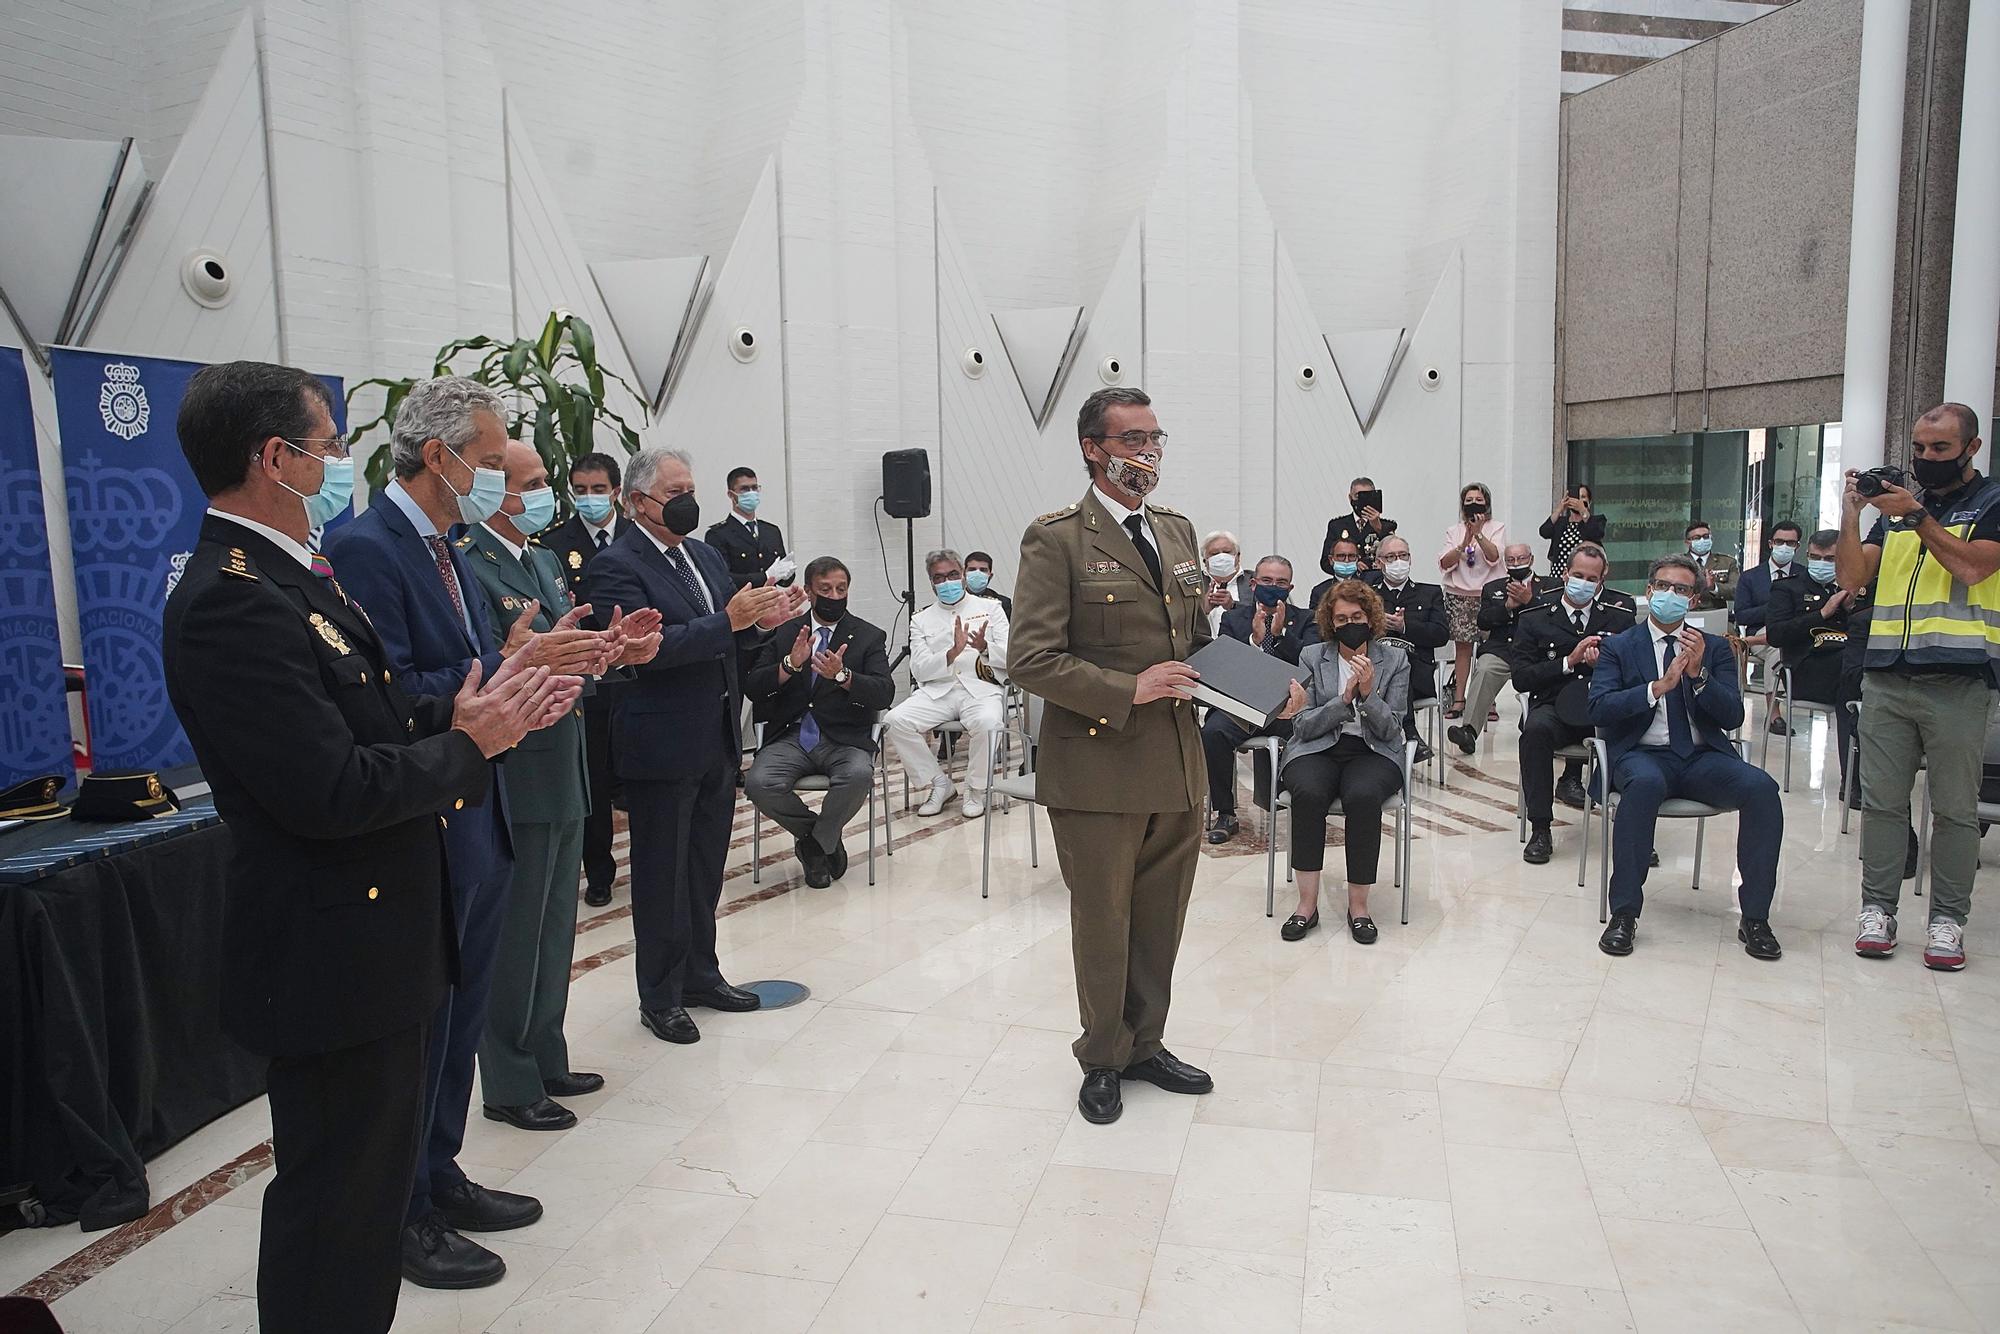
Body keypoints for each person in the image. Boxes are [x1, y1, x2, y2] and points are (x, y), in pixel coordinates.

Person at [162, 362, 569, 1334]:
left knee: (364, 1196)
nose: (343, 462)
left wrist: (468, 710)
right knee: (334, 1211)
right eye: (331, 445)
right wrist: (469, 745)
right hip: (329, 952)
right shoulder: (233, 597)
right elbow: (329, 789)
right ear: (275, 458)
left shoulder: (288, 575)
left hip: (373, 943)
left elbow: (376, 714)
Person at [326, 377, 611, 1289]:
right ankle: (403, 1209)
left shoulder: (446, 547)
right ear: (439, 457)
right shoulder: (368, 546)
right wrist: (513, 662)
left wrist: (531, 658)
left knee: (464, 1006)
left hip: (476, 799)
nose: (502, 483)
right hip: (430, 807)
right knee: (429, 1019)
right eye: (492, 465)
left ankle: (440, 1171)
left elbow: (474, 660)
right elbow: (395, 685)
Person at [1009, 385, 1214, 1127]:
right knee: (1104, 922)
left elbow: (1192, 645)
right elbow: (1029, 659)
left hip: (1177, 764)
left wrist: (1264, 689)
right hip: (1098, 767)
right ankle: (1102, 1056)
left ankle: (1146, 1044)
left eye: (1156, 437)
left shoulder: (1178, 529)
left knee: (1161, 919)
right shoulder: (1056, 539)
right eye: (1132, 440)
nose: (1149, 452)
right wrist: (1132, 687)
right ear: (1093, 449)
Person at [455, 440, 660, 1136]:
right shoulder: (468, 563)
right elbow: (486, 666)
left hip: (566, 753)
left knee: (553, 924)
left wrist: (610, 649)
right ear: (493, 488)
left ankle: (546, 1052)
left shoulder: (541, 560)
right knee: (516, 931)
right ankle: (509, 1078)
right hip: (519, 764)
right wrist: (532, 655)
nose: (549, 493)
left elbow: (562, 654)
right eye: (535, 481)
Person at [583, 448, 796, 1043]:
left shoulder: (702, 555)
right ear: (636, 501)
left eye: (690, 489)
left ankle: (702, 973)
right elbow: (644, 650)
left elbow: (729, 639)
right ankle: (660, 993)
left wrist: (764, 620)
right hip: (660, 738)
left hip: (716, 736)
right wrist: (728, 623)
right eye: (674, 492)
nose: (687, 501)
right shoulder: (615, 565)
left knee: (704, 867)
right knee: (660, 872)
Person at [1839, 403, 2000, 972]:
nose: (1926, 459)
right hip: (1888, 676)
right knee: (1882, 804)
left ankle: (1948, 920)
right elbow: (1855, 578)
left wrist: (1919, 517)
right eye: (1919, 449)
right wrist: (1855, 515)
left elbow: (1973, 569)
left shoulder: (1991, 503)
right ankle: (1876, 911)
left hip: (1958, 681)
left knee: (1955, 811)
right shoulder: (1898, 514)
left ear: (1972, 449)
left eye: (1940, 449)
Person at [1586, 553, 1784, 961]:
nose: (1670, 595)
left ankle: (1756, 918)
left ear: (1693, 601)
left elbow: (1733, 714)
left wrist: (1699, 677)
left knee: (1762, 788)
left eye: (1681, 589)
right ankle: (1624, 913)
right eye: (1663, 586)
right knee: (1645, 785)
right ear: (1649, 591)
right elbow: (1599, 708)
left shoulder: (1713, 648)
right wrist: (1656, 689)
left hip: (1699, 758)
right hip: (1641, 755)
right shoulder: (1620, 647)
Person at [1273, 580, 1409, 945]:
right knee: (1308, 792)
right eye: (1342, 618)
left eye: (1358, 616)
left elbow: (1392, 729)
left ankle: (1359, 908)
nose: (1351, 624)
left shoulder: (1394, 659)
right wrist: (1343, 700)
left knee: (1363, 796)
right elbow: (1302, 723)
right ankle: (1306, 906)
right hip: (1317, 748)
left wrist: (1367, 695)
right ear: (1331, 622)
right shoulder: (1312, 656)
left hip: (1373, 752)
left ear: (1371, 618)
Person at [744, 556, 894, 887]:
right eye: (825, 589)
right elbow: (754, 687)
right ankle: (820, 835)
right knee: (758, 783)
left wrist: (843, 675)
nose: (834, 595)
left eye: (841, 589)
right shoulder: (785, 634)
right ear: (809, 592)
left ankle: (814, 846)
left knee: (858, 775)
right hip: (791, 735)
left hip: (844, 738)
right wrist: (789, 665)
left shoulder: (868, 636)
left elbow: (884, 693)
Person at [541, 451, 632, 907]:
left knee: (636, 773)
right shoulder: (556, 543)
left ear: (616, 491)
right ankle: (599, 870)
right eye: (580, 491)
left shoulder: (639, 539)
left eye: (599, 490)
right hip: (589, 679)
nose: (590, 499)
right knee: (593, 776)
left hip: (636, 674)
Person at [1512, 543, 1636, 863]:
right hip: (1554, 706)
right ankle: (1541, 827)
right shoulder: (1535, 617)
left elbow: (1636, 674)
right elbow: (1522, 678)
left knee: (1636, 732)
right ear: (1565, 574)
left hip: (1602, 708)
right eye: (1578, 575)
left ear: (1601, 581)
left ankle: (1633, 827)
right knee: (1535, 732)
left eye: (1591, 579)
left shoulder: (1620, 618)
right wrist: (1569, 660)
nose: (1583, 583)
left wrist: (1604, 667)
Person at [886, 549, 1011, 818]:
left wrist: (985, 647)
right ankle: (939, 784)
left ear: (963, 575)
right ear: (931, 582)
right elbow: (918, 668)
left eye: (953, 575)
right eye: (939, 578)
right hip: (938, 691)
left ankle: (976, 789)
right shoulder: (921, 619)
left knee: (989, 722)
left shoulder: (991, 608)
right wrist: (951, 654)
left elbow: (1012, 654)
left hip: (980, 689)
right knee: (896, 720)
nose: (947, 582)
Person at [1200, 556, 1310, 844]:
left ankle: (1306, 809)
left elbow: (1308, 664)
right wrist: (1255, 642)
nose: (1273, 587)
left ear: (1290, 586)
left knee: (1314, 729)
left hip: (1287, 710)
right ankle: (1225, 812)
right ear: (1253, 583)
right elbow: (1225, 666)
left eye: (1281, 583)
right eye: (1267, 581)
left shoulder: (1306, 619)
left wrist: (1279, 635)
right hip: (1242, 708)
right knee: (1212, 732)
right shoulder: (1233, 617)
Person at [1766, 528, 1869, 799]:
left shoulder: (1859, 590)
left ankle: (1864, 780)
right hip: (1806, 669)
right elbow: (1776, 635)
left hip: (1851, 672)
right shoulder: (1787, 588)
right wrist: (1823, 614)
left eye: (1830, 559)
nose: (1821, 564)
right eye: (1815, 557)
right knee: (1854, 678)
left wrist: (1851, 611)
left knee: (1862, 678)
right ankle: (1854, 784)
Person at [1447, 542, 1558, 754]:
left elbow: (1555, 619)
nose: (1516, 564)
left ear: (1532, 559)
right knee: (1486, 668)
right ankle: (1469, 731)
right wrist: (1506, 607)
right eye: (1511, 560)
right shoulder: (1494, 588)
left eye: (1521, 559)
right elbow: (1483, 621)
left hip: (1538, 651)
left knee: (1554, 671)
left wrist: (1530, 601)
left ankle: (1545, 730)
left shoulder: (1550, 585)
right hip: (1503, 650)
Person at [1358, 534, 1449, 761]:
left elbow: (1441, 635)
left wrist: (1405, 626)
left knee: (1401, 666)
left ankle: (1407, 733)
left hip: (1418, 671)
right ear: (1379, 563)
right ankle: (1400, 739)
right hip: (1374, 671)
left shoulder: (1430, 593)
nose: (1398, 561)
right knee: (1386, 667)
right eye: (1391, 557)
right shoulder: (1366, 595)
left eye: (1403, 555)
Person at [1437, 482, 1505, 719]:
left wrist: (1478, 533)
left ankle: (1488, 702)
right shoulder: (1453, 530)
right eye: (1469, 501)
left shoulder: (1497, 528)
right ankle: (1459, 699)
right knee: (1463, 649)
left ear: (1486, 504)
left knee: (1489, 650)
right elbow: (1445, 562)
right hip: (1460, 596)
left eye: (1478, 500)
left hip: (1489, 597)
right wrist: (1464, 541)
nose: (1473, 504)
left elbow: (1494, 556)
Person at [1732, 519, 1803, 734]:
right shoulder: (1751, 577)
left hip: (1797, 632)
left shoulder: (1803, 575)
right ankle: (1774, 714)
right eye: (1780, 541)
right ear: (1771, 543)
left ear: (1797, 546)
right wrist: (1775, 608)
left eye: (1790, 543)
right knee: (1777, 646)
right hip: (1763, 635)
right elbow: (1742, 615)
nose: (1784, 547)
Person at [704, 465, 789, 590]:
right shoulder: (718, 535)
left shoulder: (771, 531)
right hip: (741, 603)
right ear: (731, 494)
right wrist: (765, 576)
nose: (751, 493)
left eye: (754, 488)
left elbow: (784, 581)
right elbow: (722, 579)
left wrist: (787, 572)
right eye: (744, 489)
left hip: (772, 602)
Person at [1321, 476, 1397, 573]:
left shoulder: (1387, 526)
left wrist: (1379, 528)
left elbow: (1395, 558)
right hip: (1347, 583)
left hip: (1375, 582)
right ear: (1350, 498)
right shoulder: (1337, 526)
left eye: (1367, 496)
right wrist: (1350, 565)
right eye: (1358, 495)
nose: (1362, 500)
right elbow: (1325, 562)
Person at [1540, 484, 1606, 569]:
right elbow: (1544, 532)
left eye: (1583, 497)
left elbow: (1596, 533)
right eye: (1577, 498)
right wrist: (1560, 508)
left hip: (1585, 573)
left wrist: (1582, 510)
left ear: (1589, 501)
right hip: (1559, 573)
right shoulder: (1561, 522)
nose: (1579, 501)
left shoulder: (1596, 521)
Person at [1200, 530, 1252, 634]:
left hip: (1243, 648)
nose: (1221, 557)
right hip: (1203, 648)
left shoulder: (1254, 582)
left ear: (1238, 556)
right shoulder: (1194, 584)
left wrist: (1233, 606)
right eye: (1214, 554)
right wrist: (1202, 610)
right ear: (1205, 561)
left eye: (1227, 552)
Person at [1686, 520, 1739, 612]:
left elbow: (1737, 591)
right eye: (1697, 538)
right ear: (1687, 542)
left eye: (1706, 537)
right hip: (1685, 613)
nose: (1702, 540)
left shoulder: (1727, 562)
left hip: (1715, 612)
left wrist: (1714, 587)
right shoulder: (1678, 563)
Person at [963, 550, 1013, 617]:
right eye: (972, 569)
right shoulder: (956, 600)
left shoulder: (1003, 603)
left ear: (990, 576)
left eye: (983, 570)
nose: (977, 573)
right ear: (964, 574)